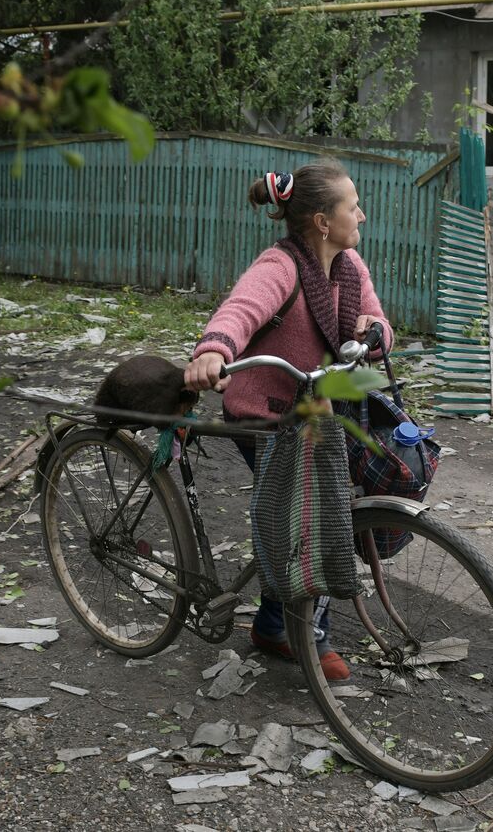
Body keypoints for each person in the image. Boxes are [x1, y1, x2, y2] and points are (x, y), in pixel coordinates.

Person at [184, 159, 392, 682]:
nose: (361, 215)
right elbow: (239, 311)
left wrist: (374, 334)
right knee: (312, 518)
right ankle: (300, 632)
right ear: (323, 220)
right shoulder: (279, 266)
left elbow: (380, 322)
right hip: (266, 414)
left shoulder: (349, 266)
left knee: (365, 486)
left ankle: (274, 621)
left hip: (322, 408)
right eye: (352, 207)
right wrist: (213, 351)